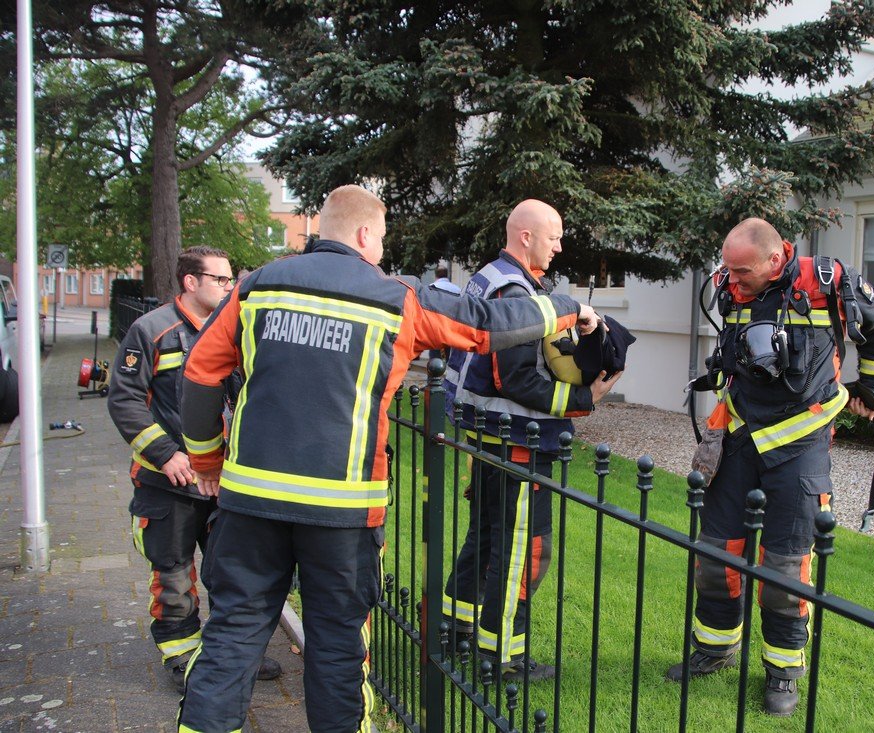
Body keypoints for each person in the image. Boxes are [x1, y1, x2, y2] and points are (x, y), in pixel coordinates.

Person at [176, 185, 600, 733]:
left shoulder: (257, 286)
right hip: (343, 514)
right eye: (381, 238)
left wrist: (207, 461)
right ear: (364, 234)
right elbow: (486, 326)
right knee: (335, 645)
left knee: (233, 635)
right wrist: (568, 309)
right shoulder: (396, 298)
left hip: (250, 504)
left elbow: (200, 374)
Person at [667, 218, 874, 717]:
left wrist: (872, 391)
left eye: (741, 269)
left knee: (784, 568)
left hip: (801, 445)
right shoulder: (733, 288)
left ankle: (783, 672)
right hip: (740, 437)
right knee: (714, 554)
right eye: (726, 268)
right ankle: (714, 648)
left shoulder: (829, 282)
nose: (731, 279)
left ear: (776, 260)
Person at [442, 199, 622, 682]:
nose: (560, 246)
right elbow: (516, 378)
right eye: (554, 236)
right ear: (526, 236)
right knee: (523, 549)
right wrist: (585, 396)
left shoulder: (489, 276)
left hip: (487, 436)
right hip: (517, 441)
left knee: (484, 537)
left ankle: (456, 631)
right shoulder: (515, 290)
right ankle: (501, 657)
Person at [107, 246, 282, 692]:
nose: (229, 288)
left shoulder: (232, 330)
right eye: (221, 280)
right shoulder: (151, 331)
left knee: (234, 574)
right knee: (172, 574)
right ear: (191, 281)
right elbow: (125, 400)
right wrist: (166, 454)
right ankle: (183, 658)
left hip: (223, 481)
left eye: (230, 280)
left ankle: (229, 654)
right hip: (168, 482)